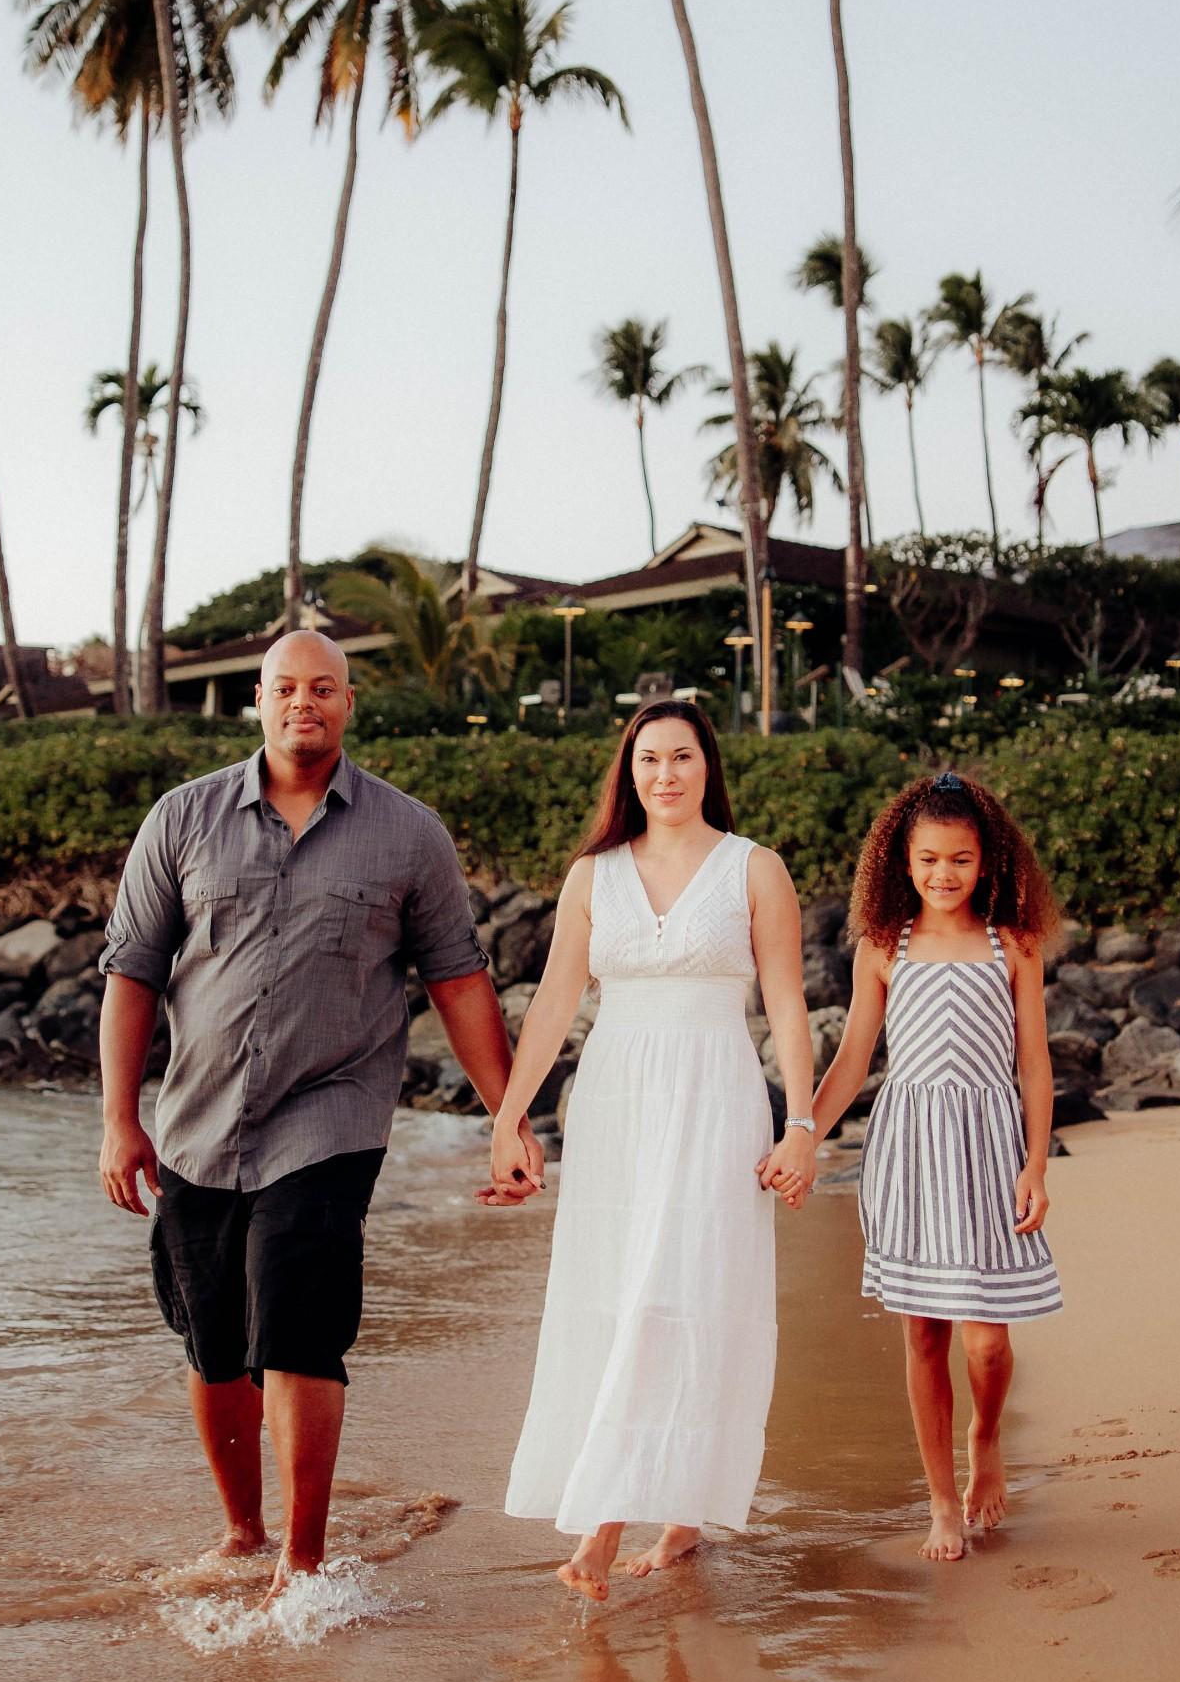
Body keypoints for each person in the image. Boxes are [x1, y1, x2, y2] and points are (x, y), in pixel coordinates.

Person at [97, 630, 537, 1603]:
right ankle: (242, 1535)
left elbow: (458, 982)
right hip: (198, 1123)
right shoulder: (183, 818)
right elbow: (132, 974)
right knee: (213, 1344)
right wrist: (118, 1119)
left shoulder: (407, 834)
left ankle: (302, 1566)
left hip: (331, 1116)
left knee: (297, 1328)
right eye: (288, 687)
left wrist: (507, 1115)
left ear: (349, 702)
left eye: (324, 688)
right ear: (258, 697)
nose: (306, 702)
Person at [486, 699, 817, 1599]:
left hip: (716, 1096)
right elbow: (554, 1002)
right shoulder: (594, 874)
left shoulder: (756, 869)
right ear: (626, 774)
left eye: (680, 758)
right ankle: (654, 1512)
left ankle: (619, 1526)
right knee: (619, 1294)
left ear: (707, 765)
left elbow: (785, 1005)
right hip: (617, 1103)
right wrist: (509, 1119)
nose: (664, 775)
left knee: (693, 1293)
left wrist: (801, 1125)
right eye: (647, 761)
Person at [809, 770, 1061, 1565]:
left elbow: (1033, 1065)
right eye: (927, 860)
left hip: (988, 1149)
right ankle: (940, 1501)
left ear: (986, 860)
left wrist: (1035, 1166)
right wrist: (800, 1136)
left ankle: (985, 1435)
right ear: (901, 862)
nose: (943, 874)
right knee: (924, 1334)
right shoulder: (883, 947)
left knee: (985, 1342)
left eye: (958, 859)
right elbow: (853, 1060)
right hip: (909, 1151)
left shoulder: (1012, 943)